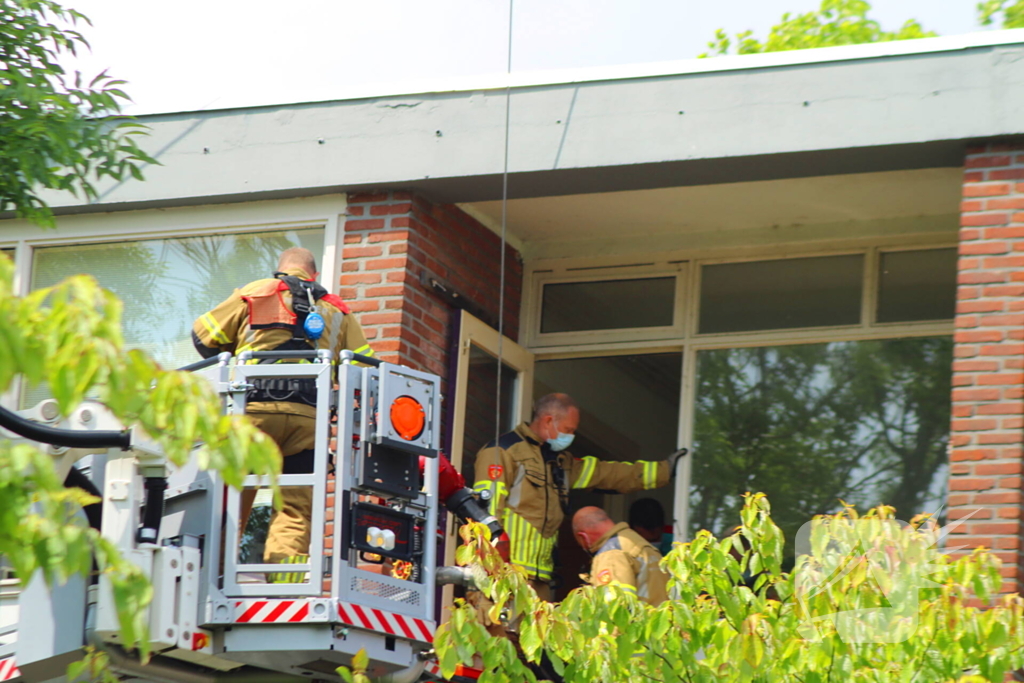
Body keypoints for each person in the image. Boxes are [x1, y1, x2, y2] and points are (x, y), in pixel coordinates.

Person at [191, 247, 373, 572]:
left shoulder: (255, 292)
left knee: (231, 498)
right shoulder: (337, 310)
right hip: (308, 423)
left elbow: (203, 336)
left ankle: (214, 577)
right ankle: (284, 585)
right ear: (314, 276)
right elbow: (362, 367)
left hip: (254, 414)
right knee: (295, 510)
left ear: (280, 270)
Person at [473, 393, 681, 600]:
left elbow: (607, 474)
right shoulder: (503, 452)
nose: (571, 436)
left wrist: (664, 471)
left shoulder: (561, 462)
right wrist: (486, 578)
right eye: (568, 430)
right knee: (500, 633)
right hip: (506, 576)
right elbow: (484, 517)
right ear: (548, 421)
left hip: (541, 581)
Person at [572, 506, 669, 605]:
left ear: (583, 537)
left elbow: (614, 606)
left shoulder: (612, 553)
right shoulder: (636, 540)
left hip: (639, 620)